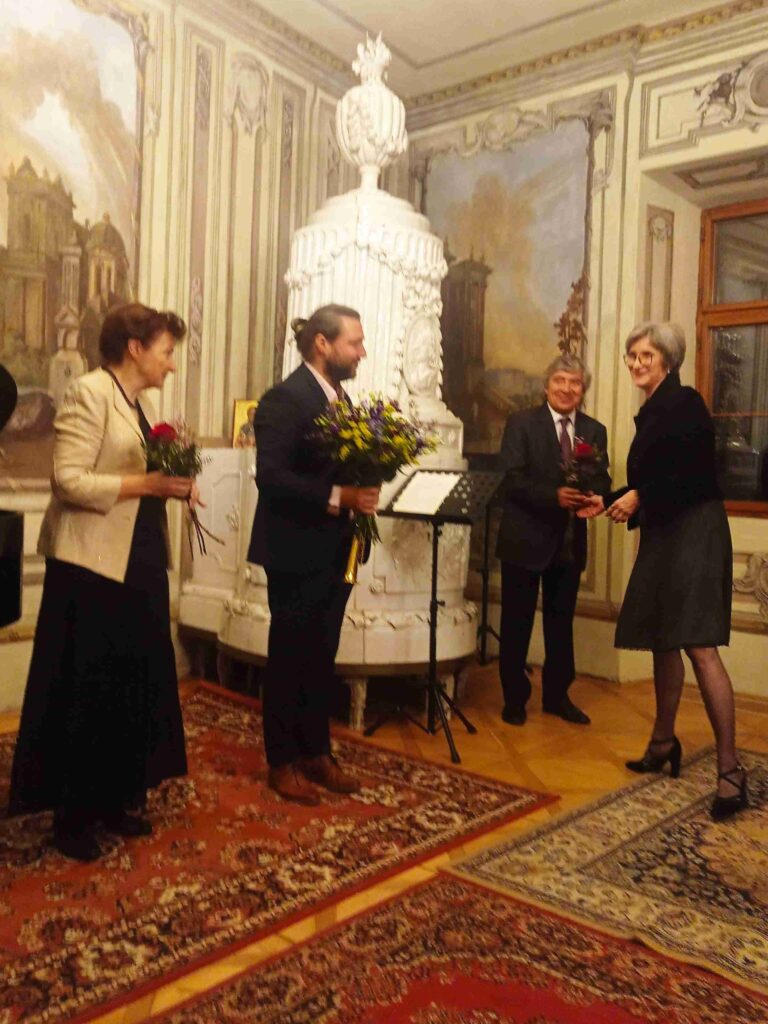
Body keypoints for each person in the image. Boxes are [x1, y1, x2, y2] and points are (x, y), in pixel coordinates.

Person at [8, 304, 194, 860]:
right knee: (87, 689)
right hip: (90, 567)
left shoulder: (139, 402)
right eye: (166, 352)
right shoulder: (89, 391)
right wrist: (149, 483)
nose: (171, 365)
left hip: (136, 560)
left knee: (128, 684)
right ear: (135, 348)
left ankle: (114, 798)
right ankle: (74, 817)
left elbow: (137, 479)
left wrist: (173, 485)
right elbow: (67, 481)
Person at [606, 321, 746, 821]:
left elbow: (688, 473)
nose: (636, 363)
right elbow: (653, 479)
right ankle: (663, 742)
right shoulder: (652, 411)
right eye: (631, 356)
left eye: (645, 355)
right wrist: (605, 500)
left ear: (668, 359)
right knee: (664, 638)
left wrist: (639, 495)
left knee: (698, 645)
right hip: (665, 531)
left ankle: (730, 771)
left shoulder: (684, 403)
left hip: (695, 529)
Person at [247, 304, 379, 805]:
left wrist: (365, 486)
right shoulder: (284, 399)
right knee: (289, 658)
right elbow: (272, 477)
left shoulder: (342, 398)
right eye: (355, 343)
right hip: (294, 547)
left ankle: (317, 752)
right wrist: (339, 498)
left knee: (322, 656)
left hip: (337, 550)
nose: (362, 352)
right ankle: (282, 762)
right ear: (322, 344)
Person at [496, 353, 611, 726]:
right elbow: (510, 479)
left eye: (574, 382)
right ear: (546, 386)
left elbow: (602, 479)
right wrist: (554, 496)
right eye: (559, 381)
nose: (566, 388)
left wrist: (597, 496)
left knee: (561, 625)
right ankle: (514, 699)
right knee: (517, 624)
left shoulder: (593, 431)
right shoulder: (521, 424)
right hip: (523, 541)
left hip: (569, 543)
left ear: (583, 389)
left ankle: (557, 696)